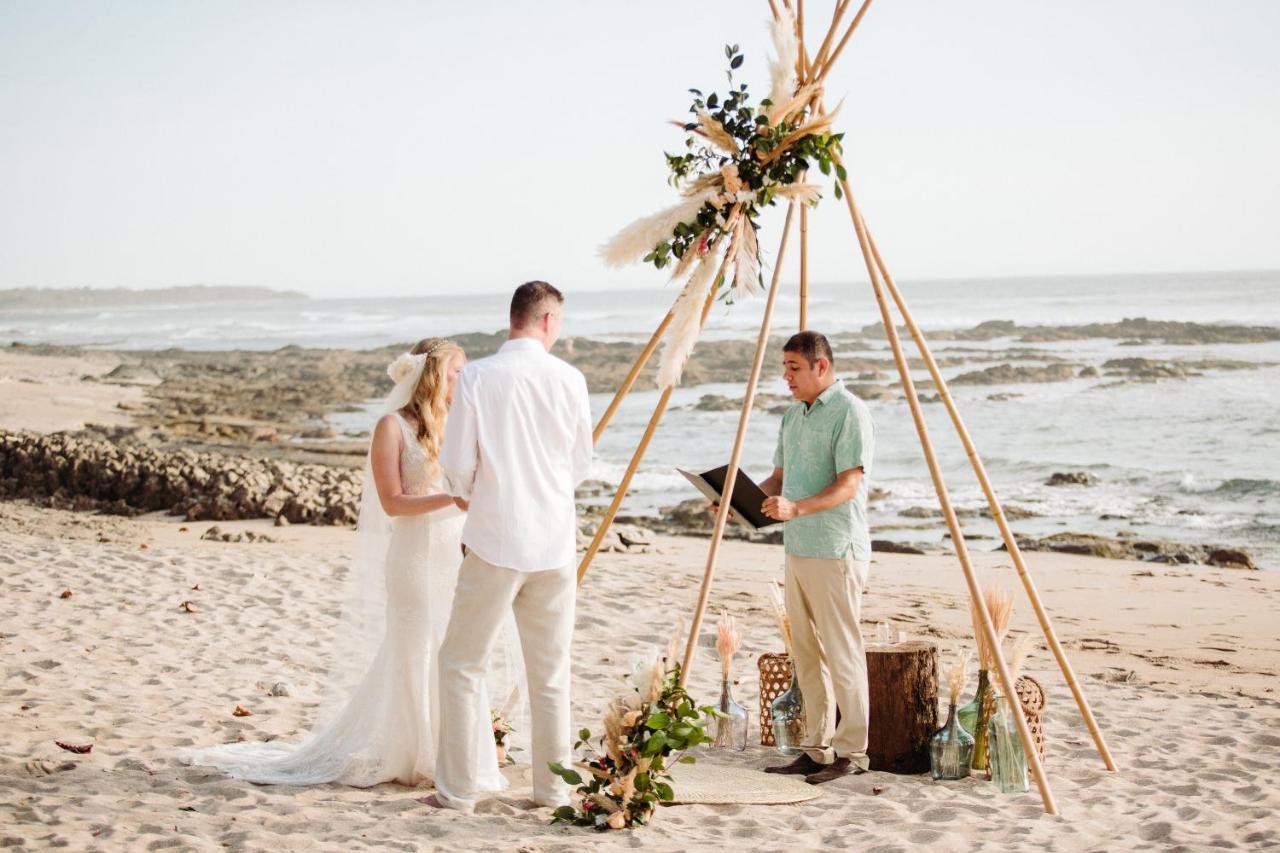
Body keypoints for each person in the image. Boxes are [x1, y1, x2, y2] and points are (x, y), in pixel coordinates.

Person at [178, 338, 520, 790]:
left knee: (453, 652)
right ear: (433, 373)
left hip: (453, 555)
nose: (465, 378)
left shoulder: (455, 425)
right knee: (415, 649)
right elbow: (394, 503)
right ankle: (411, 753)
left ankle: (450, 753)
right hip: (415, 559)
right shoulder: (391, 427)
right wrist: (452, 499)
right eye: (457, 371)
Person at [432, 281, 593, 812]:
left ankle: (457, 792)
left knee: (461, 665)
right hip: (553, 542)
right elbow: (579, 463)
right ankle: (553, 789)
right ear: (548, 321)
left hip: (495, 537)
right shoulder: (570, 379)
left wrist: (474, 496)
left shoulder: (477, 376)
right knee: (550, 674)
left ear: (515, 318)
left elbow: (456, 463)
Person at [758, 330, 876, 785]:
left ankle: (853, 752)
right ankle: (816, 748)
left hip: (836, 548)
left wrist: (796, 508)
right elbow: (778, 479)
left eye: (794, 368)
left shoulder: (850, 412)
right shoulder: (792, 416)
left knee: (842, 652)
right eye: (784, 367)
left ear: (821, 367)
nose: (786, 376)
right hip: (798, 547)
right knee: (805, 654)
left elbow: (849, 484)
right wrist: (734, 498)